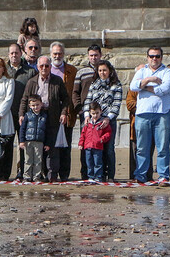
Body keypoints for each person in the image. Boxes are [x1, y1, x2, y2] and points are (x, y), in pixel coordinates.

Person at [19, 56, 69, 182]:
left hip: (52, 118)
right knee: (35, 149)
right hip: (35, 118)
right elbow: (24, 100)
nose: (44, 68)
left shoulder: (57, 81)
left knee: (51, 148)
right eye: (41, 66)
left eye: (47, 66)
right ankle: (34, 174)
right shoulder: (32, 82)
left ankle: (52, 175)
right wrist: (21, 114)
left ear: (50, 67)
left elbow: (66, 99)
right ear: (37, 67)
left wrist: (63, 113)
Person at [129, 46, 170, 184]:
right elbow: (133, 86)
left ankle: (163, 175)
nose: (154, 59)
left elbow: (165, 89)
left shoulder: (168, 72)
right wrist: (149, 79)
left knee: (163, 147)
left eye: (157, 56)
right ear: (147, 57)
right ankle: (140, 175)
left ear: (162, 57)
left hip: (162, 114)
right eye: (152, 56)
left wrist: (145, 87)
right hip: (143, 114)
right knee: (142, 148)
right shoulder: (142, 71)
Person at [82, 60, 122, 181]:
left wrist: (108, 118)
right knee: (94, 149)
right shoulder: (94, 84)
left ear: (110, 71)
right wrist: (86, 115)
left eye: (104, 70)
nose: (102, 73)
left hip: (108, 121)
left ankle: (110, 175)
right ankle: (95, 175)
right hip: (94, 121)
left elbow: (116, 104)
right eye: (100, 70)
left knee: (109, 149)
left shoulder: (117, 85)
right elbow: (88, 100)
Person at [72, 44, 102, 179]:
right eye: (91, 55)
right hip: (85, 115)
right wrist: (80, 110)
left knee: (101, 145)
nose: (93, 57)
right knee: (86, 144)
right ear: (88, 56)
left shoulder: (106, 70)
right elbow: (75, 92)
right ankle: (86, 173)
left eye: (96, 55)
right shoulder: (81, 72)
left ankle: (101, 174)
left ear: (100, 55)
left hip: (102, 115)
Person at [7, 43, 36, 180]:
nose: (14, 55)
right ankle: (4, 173)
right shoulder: (4, 70)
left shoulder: (30, 71)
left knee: (23, 144)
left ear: (21, 53)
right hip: (7, 114)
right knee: (7, 144)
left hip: (23, 114)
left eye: (16, 53)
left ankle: (22, 172)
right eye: (11, 53)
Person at [49, 41, 77, 181]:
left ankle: (64, 174)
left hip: (67, 113)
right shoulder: (45, 68)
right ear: (50, 54)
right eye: (55, 53)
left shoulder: (72, 70)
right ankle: (50, 173)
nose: (57, 56)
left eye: (60, 53)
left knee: (66, 146)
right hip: (50, 114)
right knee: (50, 146)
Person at [19, 95, 51, 182]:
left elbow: (47, 131)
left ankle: (36, 177)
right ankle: (26, 177)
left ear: (41, 104)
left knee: (38, 160)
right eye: (33, 105)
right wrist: (21, 141)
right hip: (28, 141)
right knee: (28, 160)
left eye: (37, 105)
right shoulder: (27, 115)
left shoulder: (44, 116)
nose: (35, 107)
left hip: (39, 142)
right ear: (29, 106)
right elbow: (22, 129)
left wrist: (47, 143)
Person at [78, 101, 113, 182]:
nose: (95, 115)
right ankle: (90, 176)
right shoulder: (87, 123)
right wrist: (81, 143)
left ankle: (98, 177)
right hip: (87, 146)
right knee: (89, 163)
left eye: (97, 113)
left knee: (98, 163)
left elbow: (108, 133)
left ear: (101, 111)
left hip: (98, 146)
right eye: (93, 113)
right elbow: (83, 134)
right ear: (90, 113)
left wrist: (102, 139)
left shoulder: (102, 123)